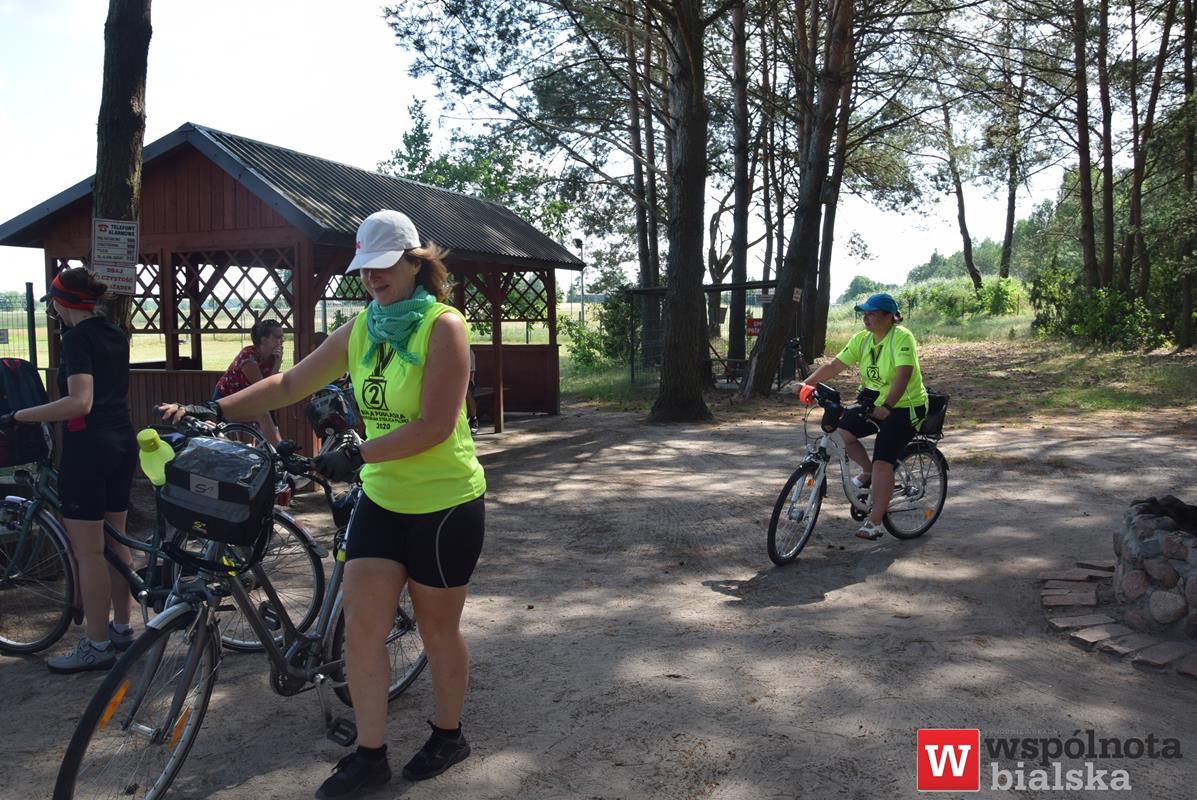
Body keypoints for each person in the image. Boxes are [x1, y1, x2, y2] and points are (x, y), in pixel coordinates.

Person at [159, 209, 486, 798]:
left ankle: (448, 732)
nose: (372, 279)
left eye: (384, 266)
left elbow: (437, 425)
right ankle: (370, 754)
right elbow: (289, 385)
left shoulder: (444, 327)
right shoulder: (362, 330)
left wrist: (360, 453)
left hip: (444, 503)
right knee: (361, 628)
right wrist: (213, 409)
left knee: (438, 630)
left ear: (416, 262)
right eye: (364, 269)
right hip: (384, 500)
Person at [0, 268, 138, 672]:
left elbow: (80, 402)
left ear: (61, 305)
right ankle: (122, 630)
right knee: (117, 543)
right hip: (122, 442)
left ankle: (95, 645)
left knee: (89, 552)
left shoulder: (77, 338)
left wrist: (21, 415)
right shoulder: (116, 334)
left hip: (88, 449)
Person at [795, 292, 928, 540]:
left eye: (872, 313)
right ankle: (866, 471)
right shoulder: (862, 340)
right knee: (842, 434)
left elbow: (903, 375)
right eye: (864, 313)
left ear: (890, 317)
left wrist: (888, 406)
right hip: (874, 403)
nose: (866, 318)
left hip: (904, 407)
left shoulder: (901, 337)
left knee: (883, 461)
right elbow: (835, 365)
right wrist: (807, 384)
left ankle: (875, 521)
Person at [212, 317, 285, 442]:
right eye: (278, 337)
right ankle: (280, 451)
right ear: (264, 340)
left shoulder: (273, 358)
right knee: (262, 415)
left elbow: (270, 386)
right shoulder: (248, 357)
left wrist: (277, 362)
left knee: (265, 414)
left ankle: (275, 450)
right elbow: (264, 387)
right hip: (225, 402)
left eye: (282, 337)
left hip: (245, 399)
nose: (282, 340)